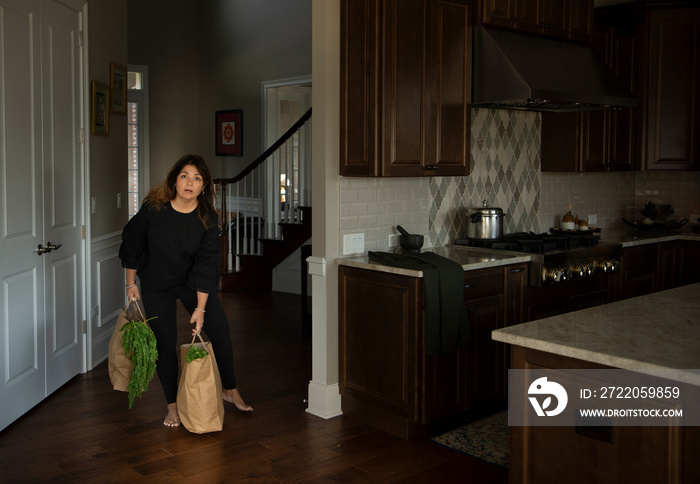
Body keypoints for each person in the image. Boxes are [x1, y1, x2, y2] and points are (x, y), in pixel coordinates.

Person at [119, 154, 252, 427]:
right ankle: (172, 406)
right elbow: (133, 244)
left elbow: (206, 266)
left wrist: (200, 310)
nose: (190, 182)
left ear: (205, 187)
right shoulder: (153, 209)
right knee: (164, 343)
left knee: (219, 329)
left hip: (192, 283)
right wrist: (131, 283)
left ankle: (230, 389)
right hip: (157, 283)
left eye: (197, 178)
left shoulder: (207, 219)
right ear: (174, 180)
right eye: (184, 176)